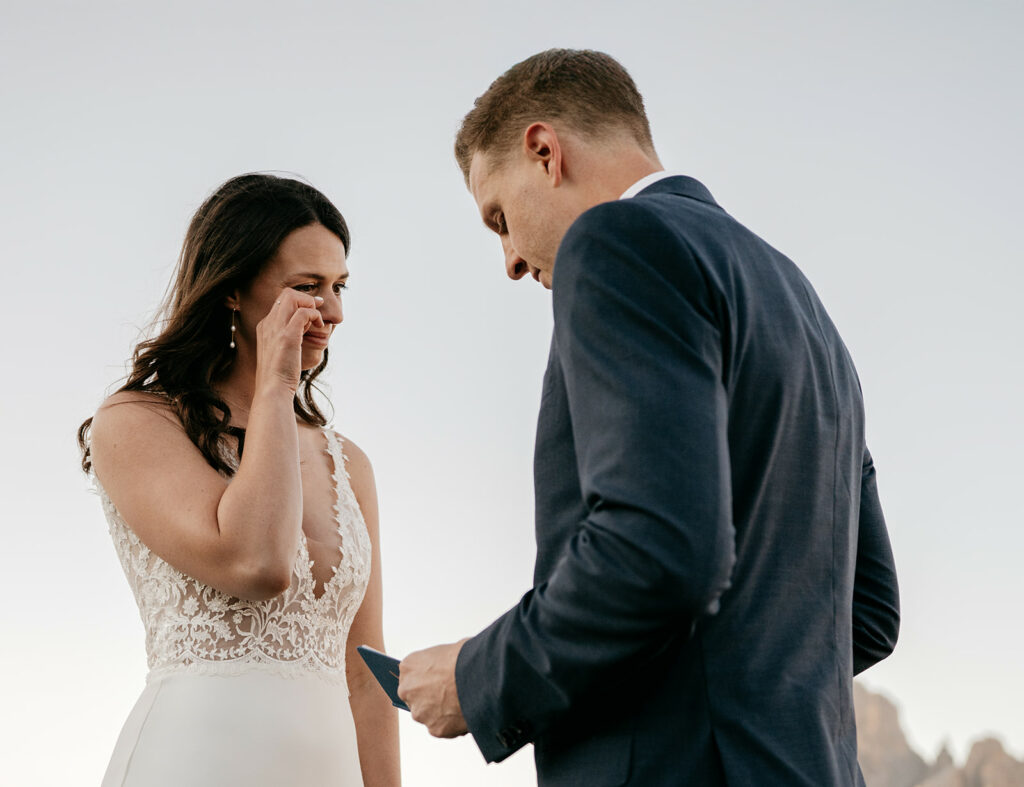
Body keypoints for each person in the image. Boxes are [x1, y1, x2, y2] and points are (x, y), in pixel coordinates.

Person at [398, 49, 900, 786]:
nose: (508, 258)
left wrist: (478, 677)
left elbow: (660, 550)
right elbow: (866, 611)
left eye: (498, 218)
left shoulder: (614, 244)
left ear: (544, 151)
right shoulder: (806, 313)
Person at [79, 173, 400, 786]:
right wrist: (275, 384)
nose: (332, 312)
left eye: (339, 287)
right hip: (196, 759)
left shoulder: (349, 462)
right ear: (232, 289)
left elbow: (366, 670)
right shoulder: (134, 423)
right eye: (307, 288)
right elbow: (256, 563)